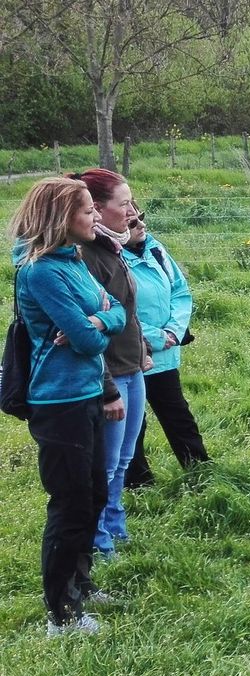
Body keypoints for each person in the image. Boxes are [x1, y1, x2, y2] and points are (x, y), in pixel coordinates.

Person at [10, 177, 127, 636]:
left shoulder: (72, 259)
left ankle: (80, 584)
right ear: (62, 219)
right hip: (58, 402)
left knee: (94, 494)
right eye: (86, 212)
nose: (95, 217)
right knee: (70, 504)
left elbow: (114, 312)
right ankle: (61, 612)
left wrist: (98, 317)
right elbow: (84, 340)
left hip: (87, 395)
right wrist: (94, 325)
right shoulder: (40, 271)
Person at [74, 167, 149, 561]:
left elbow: (127, 312)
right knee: (104, 466)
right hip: (110, 375)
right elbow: (89, 330)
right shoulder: (87, 256)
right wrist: (106, 388)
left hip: (132, 368)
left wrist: (141, 352)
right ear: (97, 210)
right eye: (124, 204)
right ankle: (97, 540)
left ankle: (115, 529)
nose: (132, 212)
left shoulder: (113, 247)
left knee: (122, 459)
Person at [122, 209, 210, 487]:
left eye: (141, 216)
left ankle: (200, 472)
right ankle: (139, 485)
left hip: (165, 356)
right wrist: (157, 337)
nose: (142, 225)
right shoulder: (108, 260)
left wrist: (174, 330)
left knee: (178, 415)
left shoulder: (156, 249)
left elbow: (181, 292)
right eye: (132, 222)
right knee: (133, 424)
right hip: (129, 354)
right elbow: (118, 311)